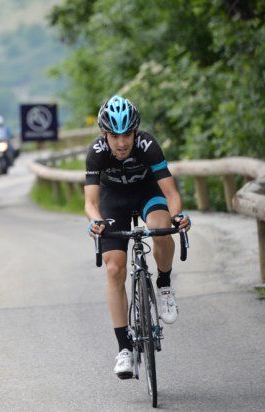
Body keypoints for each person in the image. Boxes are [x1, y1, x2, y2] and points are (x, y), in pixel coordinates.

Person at [84, 95, 191, 379]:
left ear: (135, 132)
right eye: (114, 135)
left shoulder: (148, 146)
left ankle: (164, 284)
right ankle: (124, 350)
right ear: (104, 134)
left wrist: (177, 215)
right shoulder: (96, 152)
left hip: (147, 192)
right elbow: (91, 202)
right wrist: (95, 220)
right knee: (114, 267)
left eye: (127, 134)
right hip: (113, 201)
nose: (121, 143)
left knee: (161, 225)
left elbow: (171, 194)